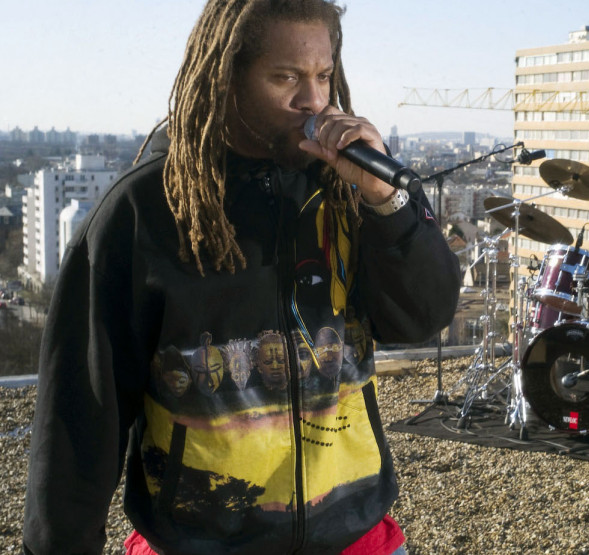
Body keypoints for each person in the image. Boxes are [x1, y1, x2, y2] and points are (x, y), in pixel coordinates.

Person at [23, 1, 461, 554]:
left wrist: (389, 204)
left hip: (357, 536)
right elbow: (78, 424)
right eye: (286, 77)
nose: (314, 100)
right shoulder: (143, 213)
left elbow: (423, 317)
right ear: (227, 75)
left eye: (323, 75)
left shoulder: (353, 191)